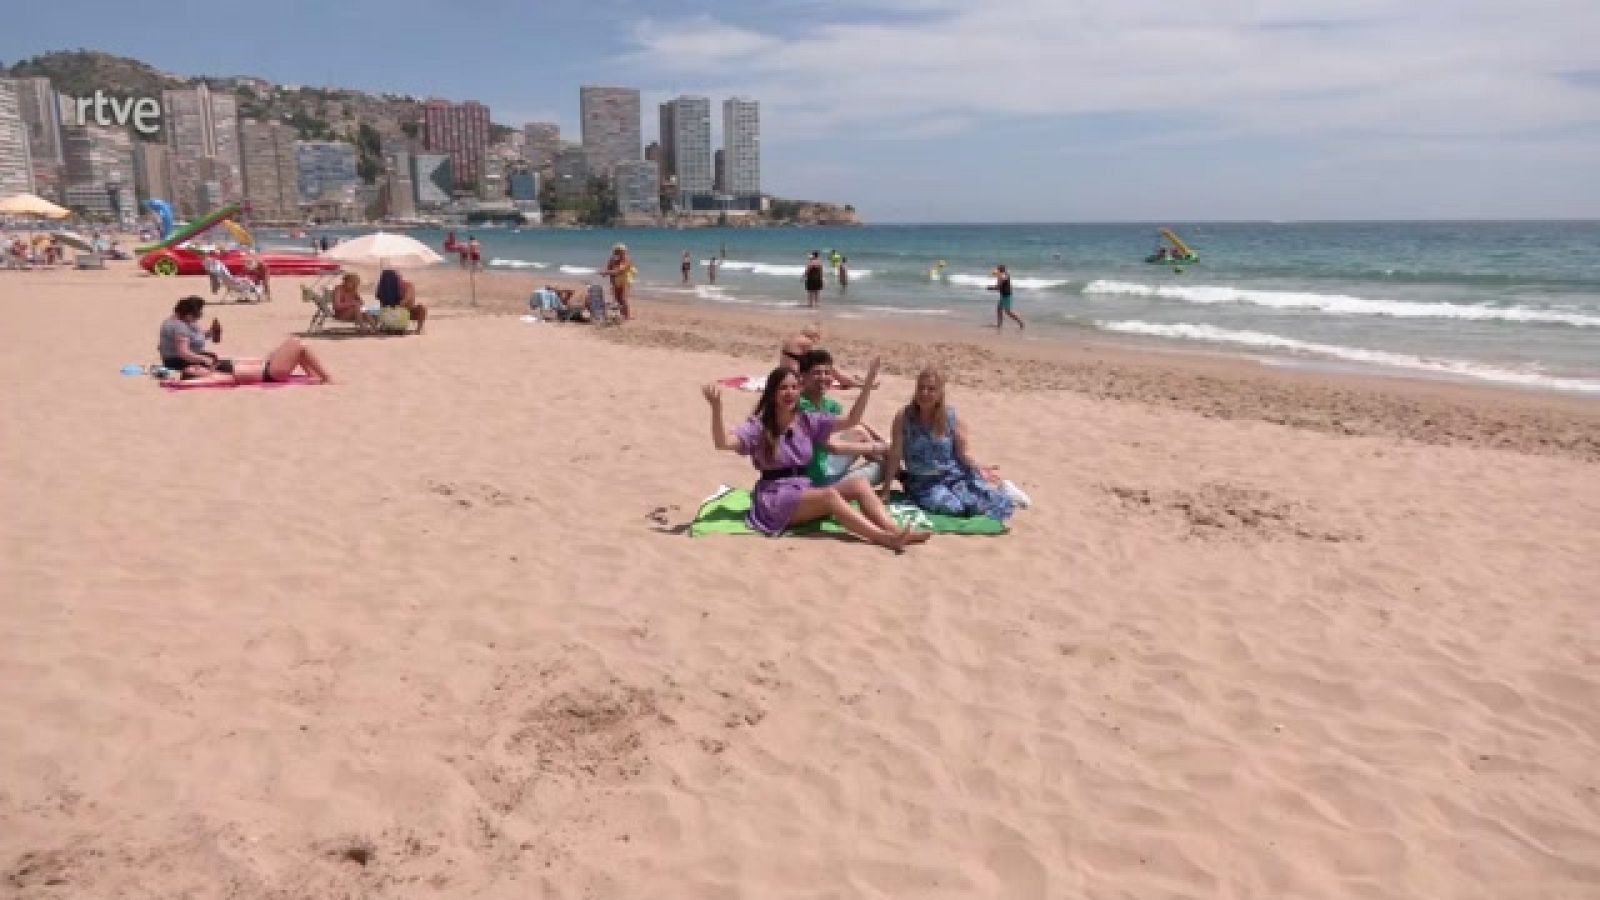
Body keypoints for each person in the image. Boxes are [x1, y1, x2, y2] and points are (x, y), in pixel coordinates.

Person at [702, 361, 928, 551]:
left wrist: (866, 386)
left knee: (859, 484)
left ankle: (895, 531)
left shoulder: (807, 420)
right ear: (772, 394)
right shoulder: (759, 426)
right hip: (774, 497)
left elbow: (851, 420)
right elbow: (722, 443)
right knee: (830, 495)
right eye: (783, 388)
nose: (789, 393)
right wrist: (716, 410)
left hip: (802, 489)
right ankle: (882, 538)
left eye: (793, 387)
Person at [880, 368, 1020, 520]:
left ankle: (1004, 490)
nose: (924, 393)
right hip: (922, 482)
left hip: (953, 475)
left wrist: (978, 465)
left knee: (977, 504)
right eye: (921, 388)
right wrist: (886, 489)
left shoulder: (951, 417)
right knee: (954, 508)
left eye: (931, 389)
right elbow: (895, 454)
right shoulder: (904, 417)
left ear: (940, 394)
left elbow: (963, 453)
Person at [797, 349, 886, 488]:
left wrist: (883, 443)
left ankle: (897, 471)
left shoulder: (826, 404)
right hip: (813, 483)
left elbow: (854, 422)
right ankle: (896, 472)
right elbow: (835, 447)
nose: (823, 377)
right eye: (817, 373)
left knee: (859, 432)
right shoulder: (802, 407)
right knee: (882, 469)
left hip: (822, 465)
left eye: (827, 373)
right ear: (803, 377)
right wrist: (878, 447)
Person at [167, 335, 333, 386]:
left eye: (194, 366)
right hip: (271, 373)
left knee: (296, 349)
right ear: (199, 377)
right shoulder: (218, 377)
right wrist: (179, 383)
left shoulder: (216, 367)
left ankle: (313, 376)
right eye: (195, 371)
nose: (197, 366)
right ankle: (328, 378)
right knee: (298, 343)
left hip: (269, 366)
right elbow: (199, 383)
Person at [778, 324, 870, 389]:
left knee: (826, 366)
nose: (817, 340)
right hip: (793, 373)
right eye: (817, 337)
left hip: (785, 369)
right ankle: (849, 381)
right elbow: (815, 359)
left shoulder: (796, 339)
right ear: (814, 335)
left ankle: (848, 380)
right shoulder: (807, 342)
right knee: (827, 366)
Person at [158, 295, 227, 375]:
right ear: (189, 314)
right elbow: (183, 353)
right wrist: (204, 359)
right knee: (213, 365)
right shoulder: (179, 327)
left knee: (212, 357)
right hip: (176, 361)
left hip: (182, 357)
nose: (199, 316)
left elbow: (192, 338)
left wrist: (210, 333)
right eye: (198, 314)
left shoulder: (181, 321)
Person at [374, 268, 428, 334]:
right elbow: (384, 306)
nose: (400, 279)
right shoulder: (387, 289)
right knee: (421, 308)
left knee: (421, 308)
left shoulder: (407, 286)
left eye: (399, 277)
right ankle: (392, 326)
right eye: (398, 277)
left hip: (403, 312)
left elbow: (404, 302)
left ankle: (418, 330)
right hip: (396, 314)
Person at [601, 243, 635, 320]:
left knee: (623, 298)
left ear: (623, 252)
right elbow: (608, 268)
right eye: (616, 251)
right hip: (615, 281)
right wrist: (605, 273)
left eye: (619, 251)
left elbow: (620, 271)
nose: (617, 253)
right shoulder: (612, 259)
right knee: (617, 299)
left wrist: (606, 272)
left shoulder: (627, 260)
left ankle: (627, 316)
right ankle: (622, 314)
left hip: (625, 280)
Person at [988, 264, 1025, 330]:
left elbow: (998, 287)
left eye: (998, 269)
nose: (997, 271)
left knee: (1008, 312)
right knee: (999, 309)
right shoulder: (1001, 275)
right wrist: (996, 276)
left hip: (1007, 296)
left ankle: (1021, 323)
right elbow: (995, 276)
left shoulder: (1004, 276)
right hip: (1003, 295)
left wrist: (991, 288)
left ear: (1001, 270)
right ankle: (999, 325)